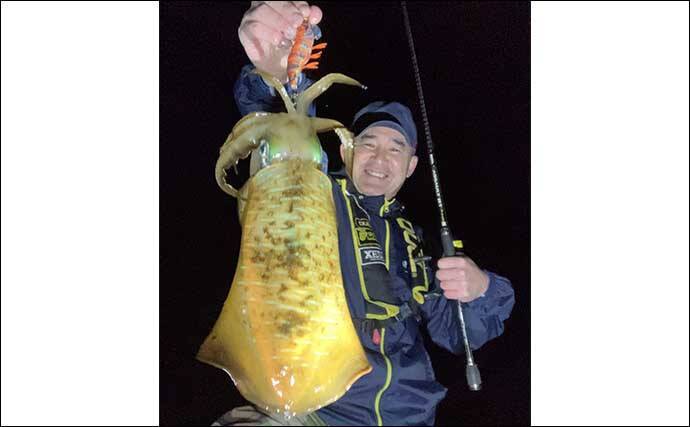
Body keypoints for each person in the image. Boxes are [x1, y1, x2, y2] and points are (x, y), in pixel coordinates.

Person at [211, 2, 515, 426]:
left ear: (410, 166)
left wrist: (481, 290)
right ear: (345, 150)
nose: (379, 159)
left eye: (396, 148)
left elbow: (456, 333)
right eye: (367, 144)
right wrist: (279, 72)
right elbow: (280, 126)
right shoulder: (315, 192)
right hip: (317, 408)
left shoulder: (415, 241)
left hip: (408, 414)